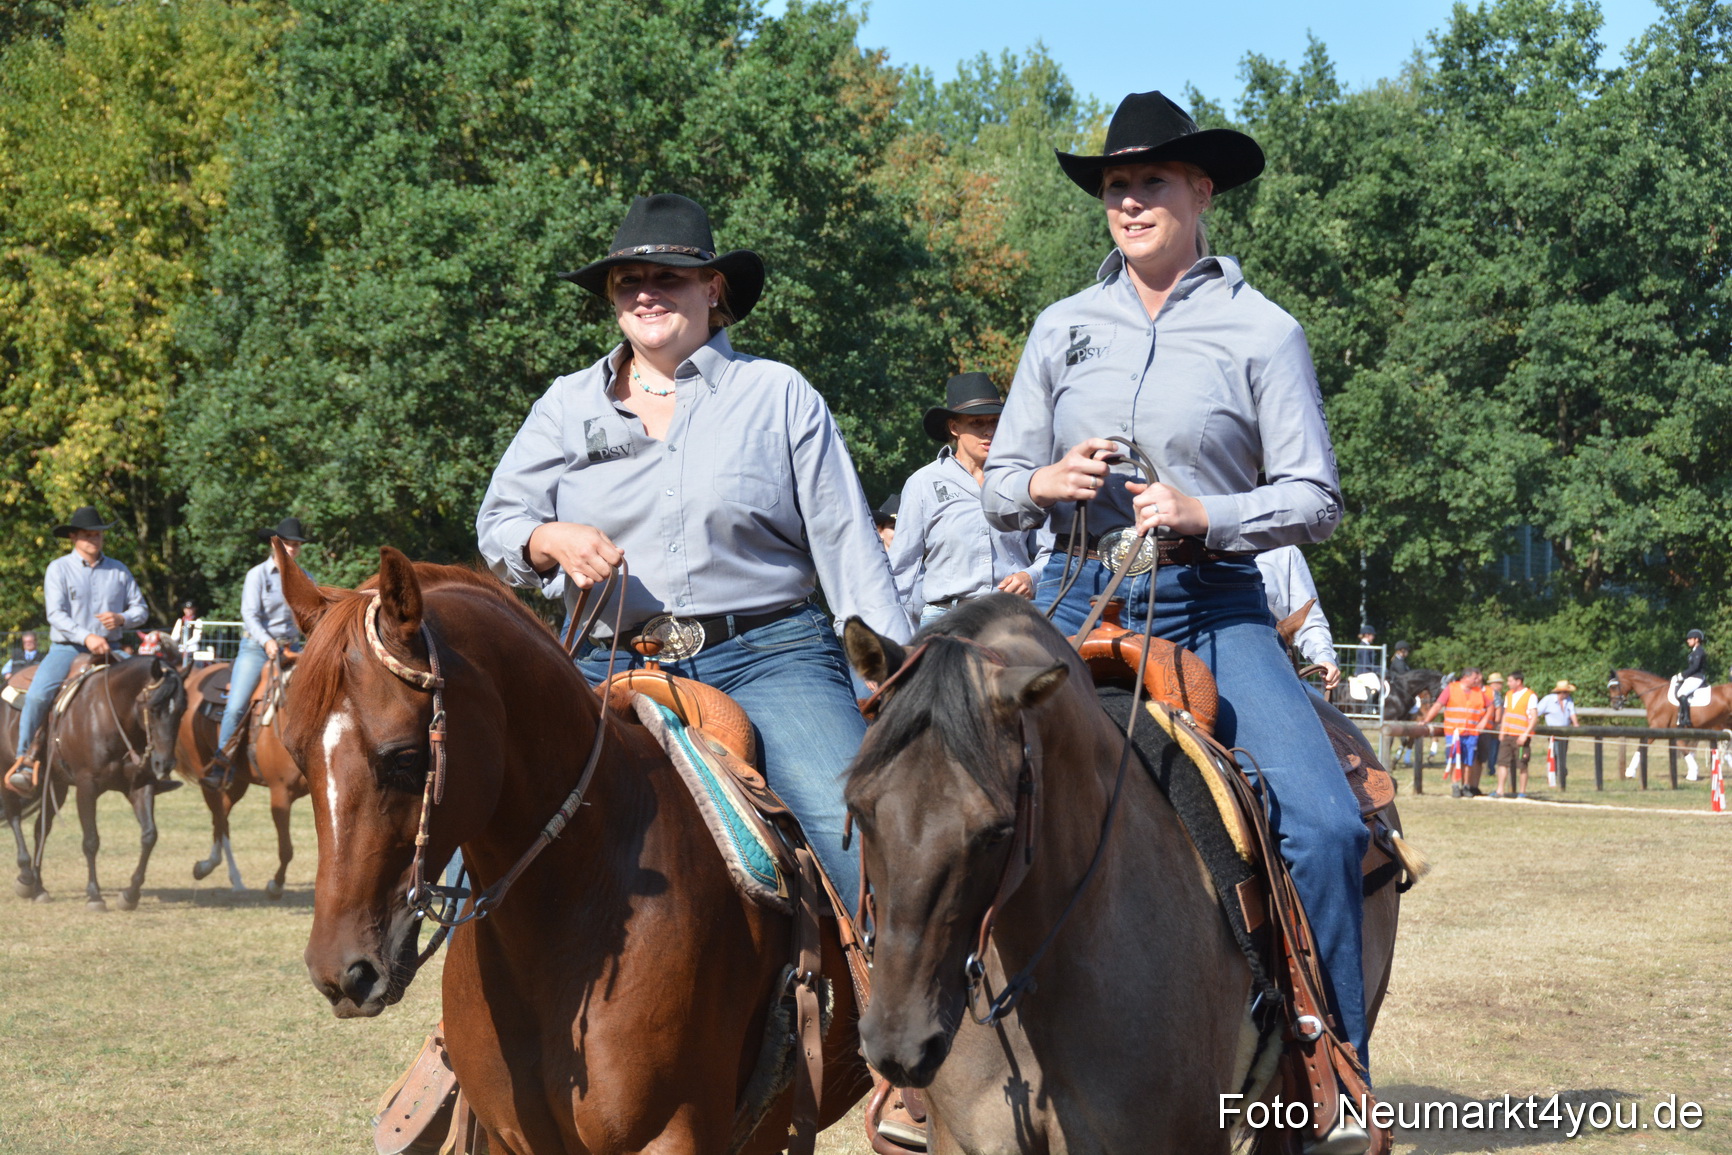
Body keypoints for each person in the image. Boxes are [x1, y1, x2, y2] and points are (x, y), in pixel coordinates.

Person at [978, 91, 1373, 1145]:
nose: (1130, 199)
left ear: (1202, 191)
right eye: (1116, 184)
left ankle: (1330, 1062)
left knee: (1326, 824)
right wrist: (1044, 480)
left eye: (1152, 180)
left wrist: (1209, 512)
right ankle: (927, 1055)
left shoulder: (1263, 331)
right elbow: (1000, 484)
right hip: (1072, 591)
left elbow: (1316, 499)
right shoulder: (1060, 327)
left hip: (1210, 602)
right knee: (943, 777)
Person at [477, 192, 909, 913]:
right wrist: (545, 538)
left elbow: (848, 547)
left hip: (770, 657)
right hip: (606, 658)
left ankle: (889, 984)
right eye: (629, 281)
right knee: (485, 846)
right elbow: (500, 523)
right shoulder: (565, 405)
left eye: (669, 278)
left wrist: (898, 682)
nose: (646, 293)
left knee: (861, 842)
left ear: (713, 289)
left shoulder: (778, 394)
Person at [5, 506, 172, 794]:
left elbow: (140, 609)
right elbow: (55, 614)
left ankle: (150, 764)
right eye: (87, 535)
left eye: (98, 535)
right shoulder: (58, 568)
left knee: (153, 691)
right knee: (38, 695)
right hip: (67, 649)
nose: (94, 539)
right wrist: (88, 636)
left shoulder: (118, 570)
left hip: (112, 648)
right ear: (73, 537)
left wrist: (122, 618)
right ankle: (25, 760)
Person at [888, 373, 1053, 630]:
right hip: (946, 622)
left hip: (1012, 618)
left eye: (995, 421)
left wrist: (1030, 576)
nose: (989, 431)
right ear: (954, 427)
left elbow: (1050, 553)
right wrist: (896, 635)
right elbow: (902, 569)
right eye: (977, 422)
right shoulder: (923, 483)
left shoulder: (1023, 481)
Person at [200, 518, 316, 790]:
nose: (292, 549)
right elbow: (250, 615)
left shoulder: (307, 578)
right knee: (237, 704)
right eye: (288, 544)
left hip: (293, 649)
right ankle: (222, 763)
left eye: (296, 545)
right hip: (257, 648)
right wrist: (267, 642)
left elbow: (312, 614)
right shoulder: (257, 575)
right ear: (275, 545)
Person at [1255, 545, 1340, 691]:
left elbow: (1308, 619)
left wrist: (1324, 656)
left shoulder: (1284, 552)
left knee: (1321, 706)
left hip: (1276, 665)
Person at [1422, 667, 1493, 797]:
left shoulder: (1479, 692)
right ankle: (1455, 786)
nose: (1477, 680)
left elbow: (1490, 707)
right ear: (1466, 677)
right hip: (1454, 732)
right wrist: (1426, 720)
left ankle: (1466, 786)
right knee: (1454, 759)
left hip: (1471, 733)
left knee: (1469, 760)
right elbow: (1438, 705)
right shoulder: (1451, 689)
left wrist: (1484, 721)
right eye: (1475, 678)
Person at [1493, 670, 1539, 798]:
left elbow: (1534, 718)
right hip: (1508, 734)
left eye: (1510, 681)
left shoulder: (1530, 696)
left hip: (1521, 736)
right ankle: (1500, 790)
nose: (1508, 683)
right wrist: (1502, 731)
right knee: (1502, 762)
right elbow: (1506, 714)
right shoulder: (1508, 695)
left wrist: (1525, 735)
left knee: (1522, 764)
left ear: (1518, 682)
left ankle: (1522, 792)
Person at [1537, 681, 1579, 785]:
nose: (1568, 694)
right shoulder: (1548, 700)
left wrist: (1576, 725)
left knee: (1563, 753)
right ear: (1561, 692)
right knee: (1555, 753)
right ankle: (1556, 774)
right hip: (1553, 733)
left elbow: (1572, 713)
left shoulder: (1569, 700)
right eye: (1567, 692)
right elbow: (1537, 712)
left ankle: (1560, 772)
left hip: (1565, 732)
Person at [1675, 628, 1708, 727]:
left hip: (1697, 677)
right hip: (1692, 677)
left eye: (1690, 639)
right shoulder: (1693, 652)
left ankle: (1686, 718)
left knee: (1681, 693)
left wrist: (1682, 675)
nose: (1688, 641)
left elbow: (1695, 667)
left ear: (1696, 639)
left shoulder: (1699, 651)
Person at [1479, 672, 1506, 777]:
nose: (1501, 686)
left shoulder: (1483, 691)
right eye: (1500, 683)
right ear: (1494, 684)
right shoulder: (1494, 693)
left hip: (1482, 724)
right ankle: (1491, 769)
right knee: (1493, 748)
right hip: (1492, 725)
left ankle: (1488, 768)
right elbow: (1498, 708)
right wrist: (1497, 722)